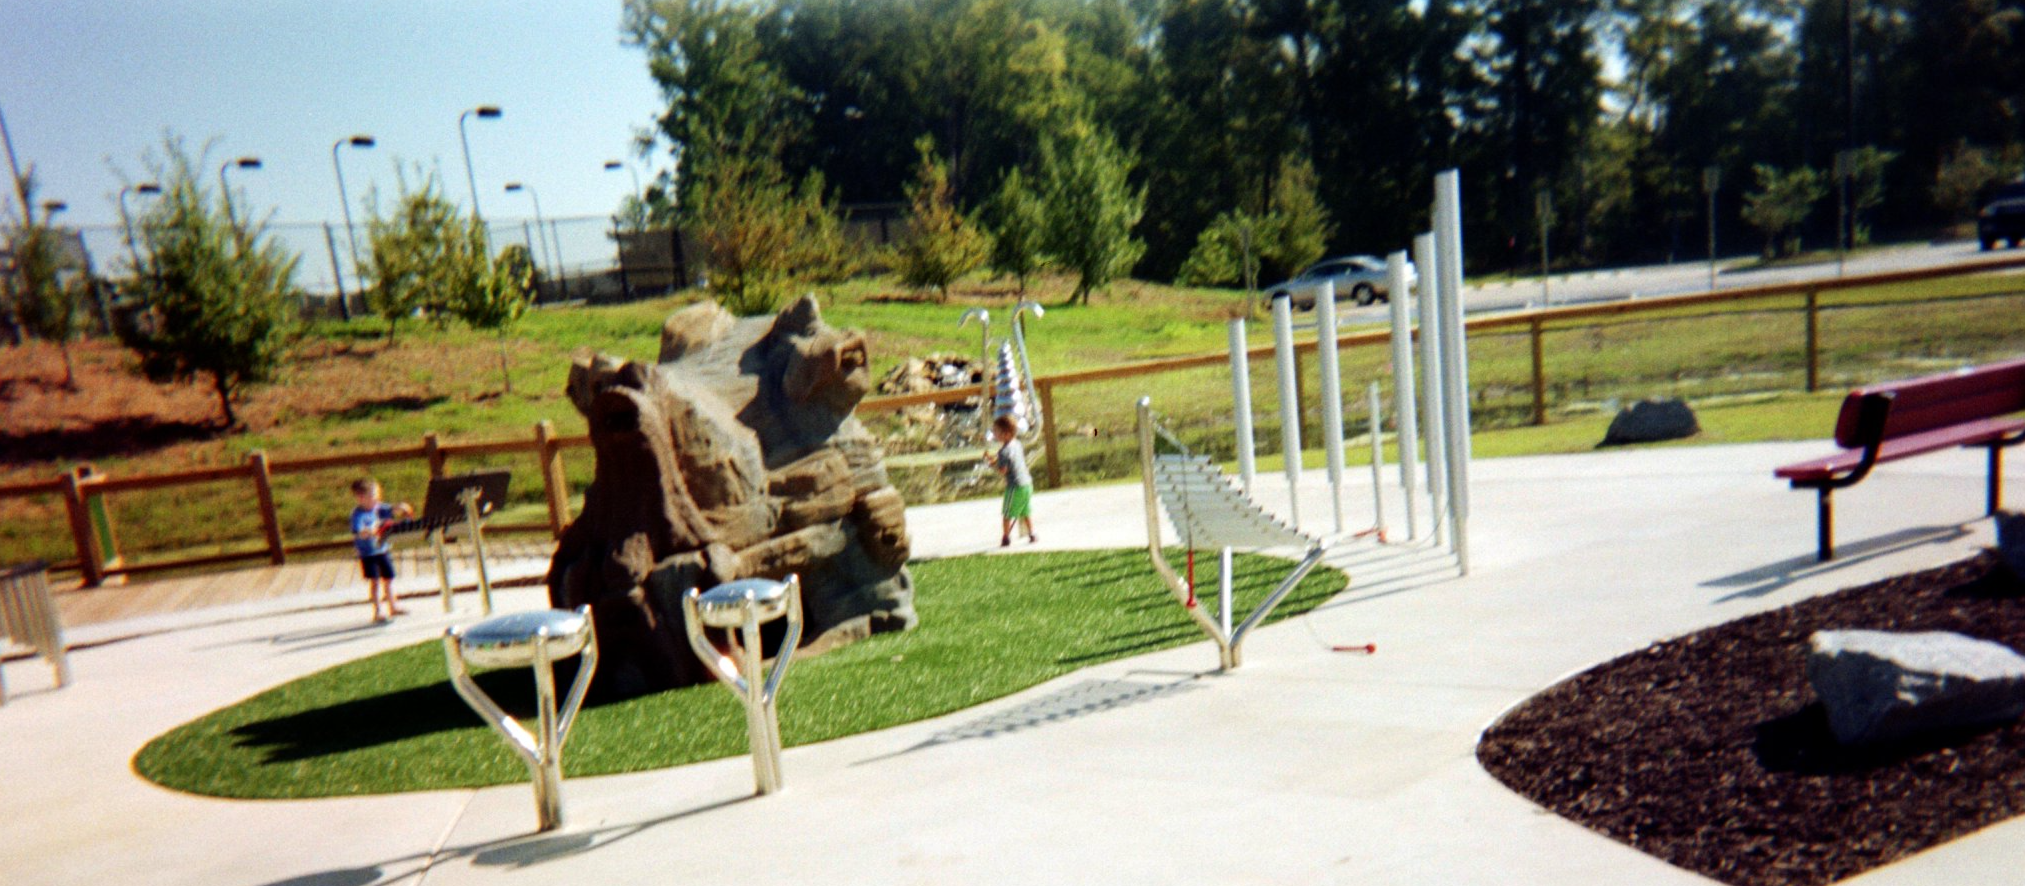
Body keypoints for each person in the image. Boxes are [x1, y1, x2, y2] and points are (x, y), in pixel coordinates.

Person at [350, 477, 414, 623]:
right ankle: (377, 611)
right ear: (360, 498)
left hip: (382, 549)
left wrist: (401, 507)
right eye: (373, 496)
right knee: (375, 582)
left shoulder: (378, 507)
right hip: (368, 553)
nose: (377, 499)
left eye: (377, 495)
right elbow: (359, 532)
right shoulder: (358, 515)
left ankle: (393, 606)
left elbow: (391, 509)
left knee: (389, 578)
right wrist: (372, 529)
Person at [985, 415, 1037, 547]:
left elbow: (1003, 470)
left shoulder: (1003, 451)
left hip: (1015, 486)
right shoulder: (1017, 444)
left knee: (1007, 513)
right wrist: (994, 459)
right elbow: (1010, 460)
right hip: (1027, 484)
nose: (994, 434)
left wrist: (991, 465)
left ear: (1006, 434)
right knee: (1025, 511)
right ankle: (1032, 534)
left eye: (996, 431)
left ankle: (1006, 537)